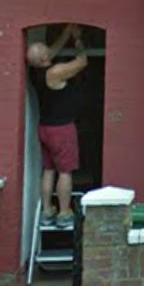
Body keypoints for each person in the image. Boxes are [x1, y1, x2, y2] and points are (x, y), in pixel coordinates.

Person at [26, 23, 88, 227]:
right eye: (44, 48)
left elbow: (52, 51)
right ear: (43, 58)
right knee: (65, 171)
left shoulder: (36, 71)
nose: (48, 48)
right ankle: (63, 213)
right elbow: (82, 61)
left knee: (49, 170)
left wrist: (66, 32)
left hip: (45, 128)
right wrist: (78, 40)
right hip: (61, 129)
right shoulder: (56, 72)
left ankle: (46, 211)